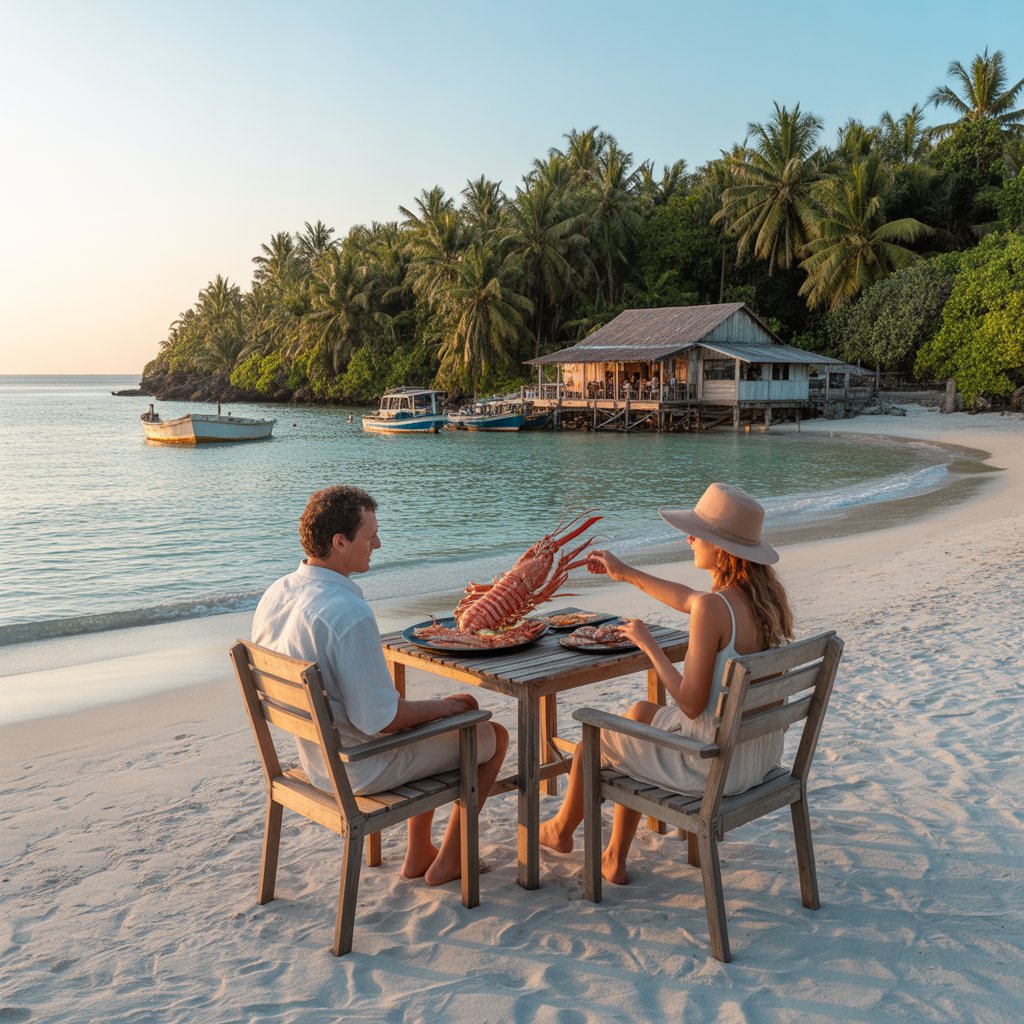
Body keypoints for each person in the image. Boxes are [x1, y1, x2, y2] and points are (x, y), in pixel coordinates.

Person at [252, 484, 509, 886]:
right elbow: (380, 720)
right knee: (490, 733)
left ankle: (421, 851)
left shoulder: (278, 592)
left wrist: (444, 706)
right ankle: (451, 859)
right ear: (340, 542)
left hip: (315, 759)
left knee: (450, 708)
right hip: (358, 769)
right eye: (369, 535)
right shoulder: (347, 612)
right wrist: (445, 707)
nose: (378, 543)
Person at [539, 482, 793, 885]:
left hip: (709, 765)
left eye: (698, 533)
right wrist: (623, 573)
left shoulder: (714, 608)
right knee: (639, 715)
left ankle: (561, 829)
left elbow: (691, 705)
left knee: (595, 739)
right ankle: (613, 858)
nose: (689, 538)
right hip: (756, 757)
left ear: (721, 548)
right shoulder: (764, 603)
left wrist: (649, 645)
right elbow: (687, 598)